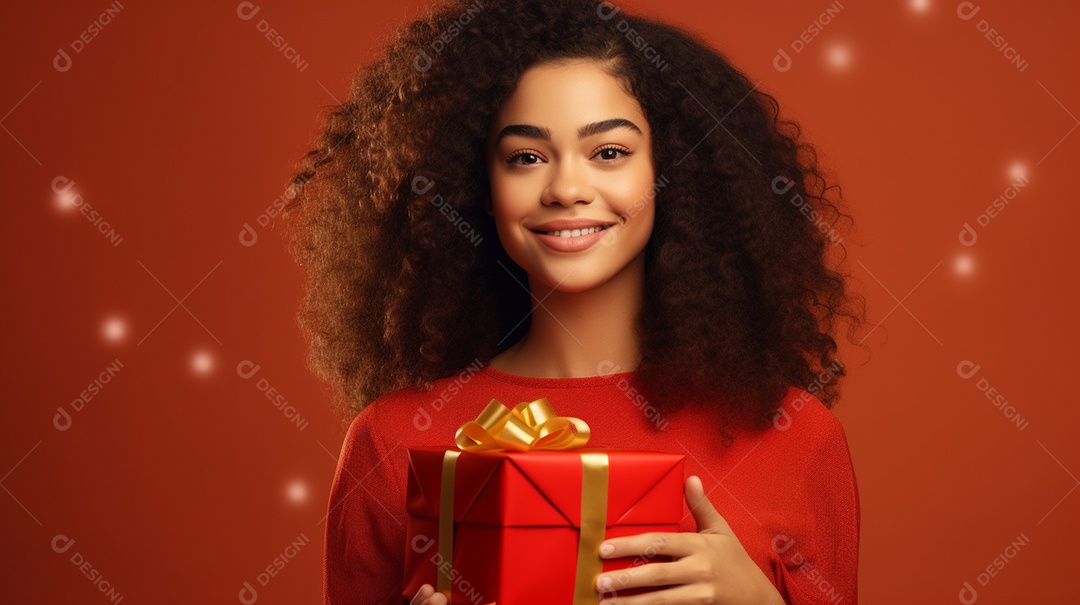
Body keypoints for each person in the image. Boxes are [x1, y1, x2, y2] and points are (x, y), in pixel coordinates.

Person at [282, 0, 869, 603]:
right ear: (481, 188)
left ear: (673, 176)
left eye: (609, 152)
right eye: (526, 158)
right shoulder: (392, 438)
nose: (565, 188)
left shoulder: (795, 438)